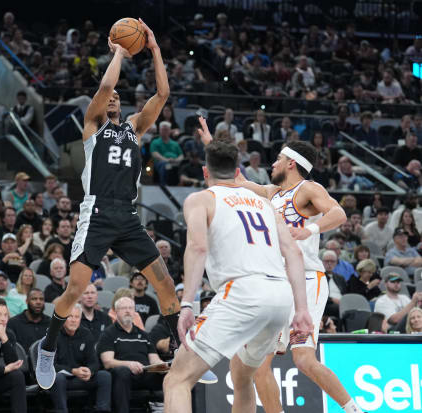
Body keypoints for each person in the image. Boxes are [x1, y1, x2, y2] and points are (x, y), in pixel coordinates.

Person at [37, 21, 182, 391]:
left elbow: (163, 94)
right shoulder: (92, 127)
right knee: (74, 289)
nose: (113, 96)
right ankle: (49, 348)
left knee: (165, 283)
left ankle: (181, 352)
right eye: (109, 96)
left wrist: (153, 49)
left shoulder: (134, 127)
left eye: (118, 96)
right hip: (98, 211)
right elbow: (104, 86)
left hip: (128, 215)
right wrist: (119, 49)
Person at [196, 123, 361, 413]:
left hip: (307, 280)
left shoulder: (308, 188)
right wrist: (211, 145)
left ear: (291, 163)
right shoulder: (272, 192)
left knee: (304, 360)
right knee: (257, 364)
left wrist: (309, 230)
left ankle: (354, 409)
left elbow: (338, 212)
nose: (272, 164)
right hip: (278, 286)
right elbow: (237, 181)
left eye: (277, 160)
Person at [162, 140, 313, 412]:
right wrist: (302, 310)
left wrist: (186, 304)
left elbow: (197, 247)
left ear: (205, 173)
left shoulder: (200, 199)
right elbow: (294, 254)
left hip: (242, 293)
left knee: (177, 379)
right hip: (280, 298)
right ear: (237, 172)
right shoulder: (265, 204)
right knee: (242, 375)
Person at [99, 296, 167, 413]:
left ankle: (166, 408)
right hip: (123, 373)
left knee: (170, 373)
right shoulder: (109, 334)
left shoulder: (144, 335)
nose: (128, 311)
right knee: (122, 372)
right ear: (116, 312)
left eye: (131, 308)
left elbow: (154, 359)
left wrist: (163, 366)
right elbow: (107, 362)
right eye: (123, 308)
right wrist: (129, 364)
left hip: (144, 372)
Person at [50, 303, 111, 413]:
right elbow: (51, 366)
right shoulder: (53, 334)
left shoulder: (86, 334)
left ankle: (102, 410)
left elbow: (94, 362)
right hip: (63, 379)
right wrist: (73, 371)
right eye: (70, 316)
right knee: (58, 378)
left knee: (104, 376)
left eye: (77, 317)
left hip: (81, 378)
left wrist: (90, 371)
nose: (73, 320)